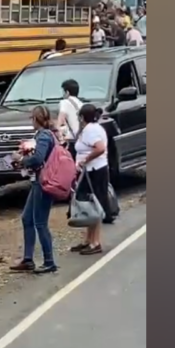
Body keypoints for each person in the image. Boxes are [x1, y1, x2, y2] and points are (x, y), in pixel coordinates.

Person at [9, 106, 59, 274]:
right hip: (38, 181)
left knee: (40, 222)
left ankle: (49, 261)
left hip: (43, 182)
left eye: (32, 118)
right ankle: (28, 259)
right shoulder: (45, 134)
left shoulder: (44, 135)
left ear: (36, 119)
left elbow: (38, 158)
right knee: (27, 218)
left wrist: (21, 159)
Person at [71, 103, 111, 254]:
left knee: (94, 205)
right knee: (87, 205)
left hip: (94, 171)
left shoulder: (91, 130)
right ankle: (88, 240)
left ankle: (95, 242)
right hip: (90, 171)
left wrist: (85, 160)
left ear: (82, 117)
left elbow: (100, 148)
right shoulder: (92, 128)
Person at [55, 79, 83, 148]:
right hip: (82, 139)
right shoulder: (81, 104)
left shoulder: (64, 102)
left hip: (71, 141)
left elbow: (60, 121)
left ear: (67, 92)